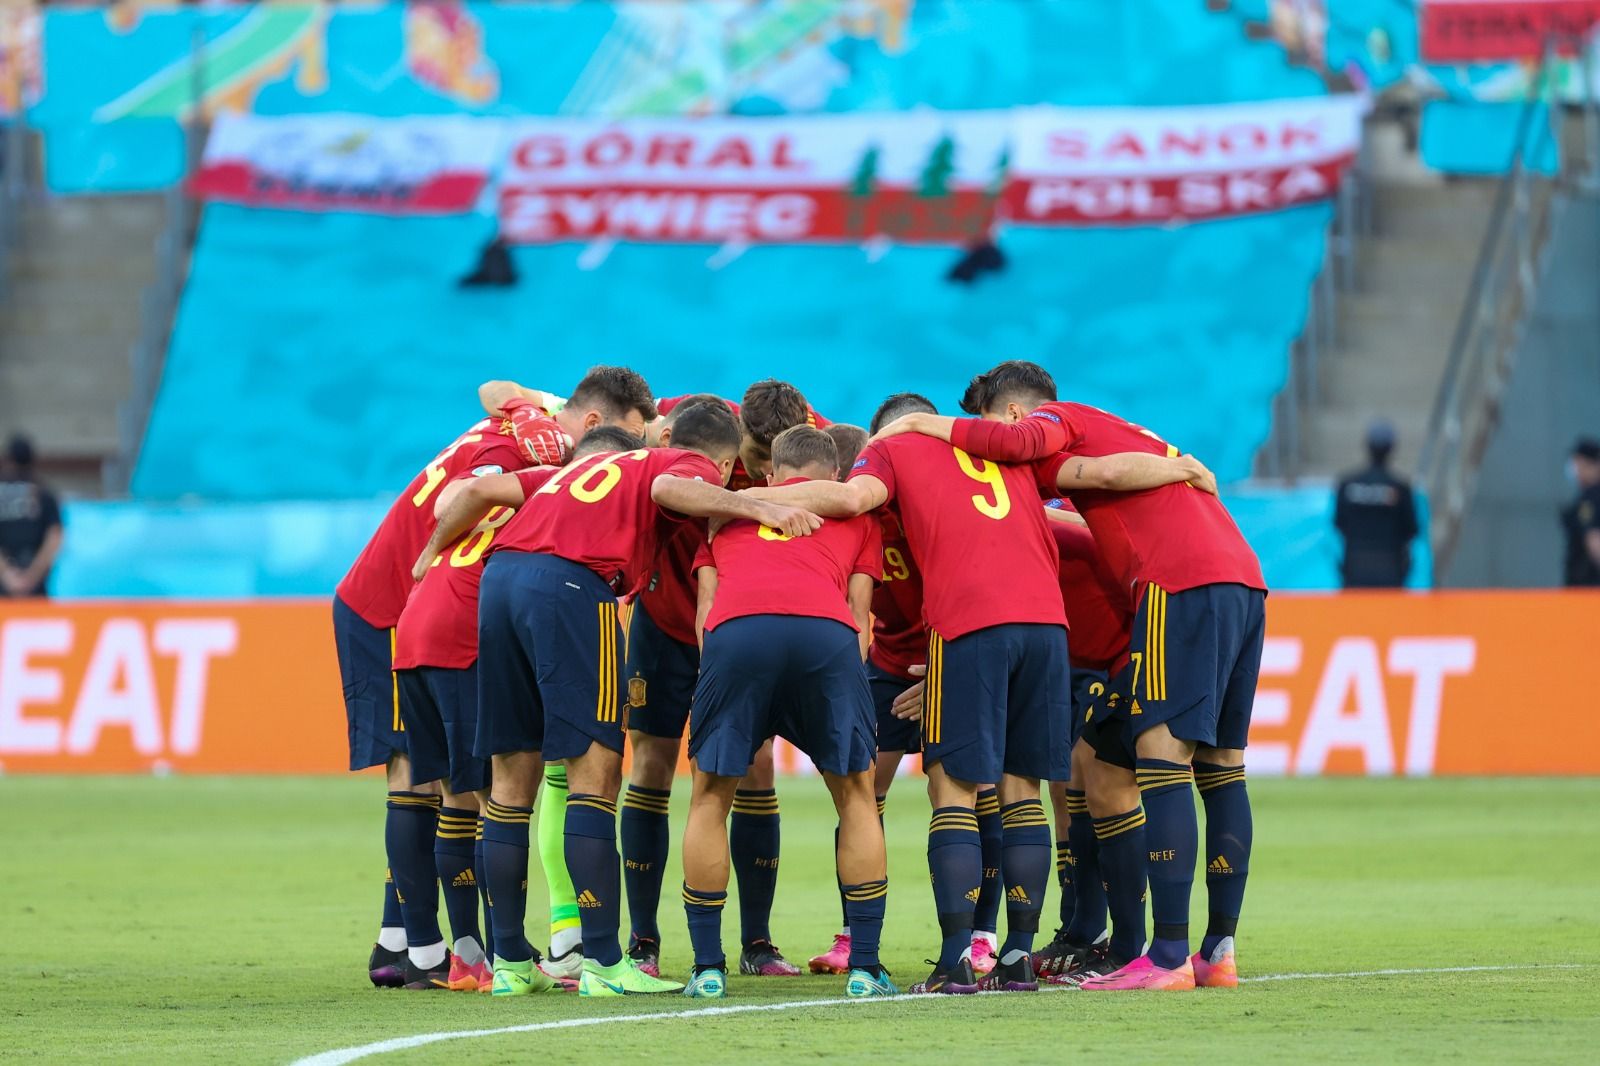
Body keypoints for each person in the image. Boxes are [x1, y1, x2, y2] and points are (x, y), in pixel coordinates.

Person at [747, 401, 1204, 995]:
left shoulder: (890, 451)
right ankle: (1016, 958)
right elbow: (1098, 478)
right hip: (1046, 626)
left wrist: (750, 504)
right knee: (1022, 794)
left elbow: (853, 499)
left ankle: (955, 961)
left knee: (953, 792)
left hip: (969, 624)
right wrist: (1181, 467)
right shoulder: (1003, 450)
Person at [874, 359, 1263, 992]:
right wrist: (1179, 465)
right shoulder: (1114, 431)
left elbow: (1061, 464)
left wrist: (922, 423)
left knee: (1161, 759)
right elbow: (1093, 483)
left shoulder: (1055, 423)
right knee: (1214, 767)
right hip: (1241, 578)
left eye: (985, 425)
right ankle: (1213, 951)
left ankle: (1164, 957)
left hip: (1176, 582)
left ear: (1011, 413)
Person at [417, 399, 821, 998]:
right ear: (727, 455)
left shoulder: (579, 471)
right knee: (595, 776)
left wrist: (430, 554)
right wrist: (758, 505)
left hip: (500, 585)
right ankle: (605, 961)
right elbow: (670, 487)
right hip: (575, 587)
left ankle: (509, 964)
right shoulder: (683, 464)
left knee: (508, 781)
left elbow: (472, 495)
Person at [334, 368, 633, 988]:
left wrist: (523, 411)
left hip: (410, 604)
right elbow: (456, 500)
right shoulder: (535, 458)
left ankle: (407, 940)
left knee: (442, 780)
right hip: (394, 604)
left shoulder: (533, 425)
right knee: (437, 781)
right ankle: (434, 945)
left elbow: (494, 386)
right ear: (595, 426)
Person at [620, 382, 827, 980]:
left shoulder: (805, 427)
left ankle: (758, 943)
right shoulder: (692, 422)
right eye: (757, 464)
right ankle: (643, 941)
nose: (768, 479)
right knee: (652, 766)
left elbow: (855, 454)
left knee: (755, 768)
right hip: (664, 624)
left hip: (740, 633)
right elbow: (612, 425)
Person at [679, 425, 893, 999]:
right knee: (854, 793)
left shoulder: (727, 514)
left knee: (709, 797)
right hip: (825, 634)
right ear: (835, 479)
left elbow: (705, 609)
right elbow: (861, 617)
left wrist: (724, 671)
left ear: (772, 477)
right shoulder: (858, 517)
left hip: (737, 634)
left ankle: (706, 968)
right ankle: (867, 969)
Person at [1333, 419, 1419, 588]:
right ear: (1392, 448)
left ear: (1367, 446)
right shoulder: (1400, 488)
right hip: (1391, 571)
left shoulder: (1347, 484)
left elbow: (1339, 523)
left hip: (1355, 570)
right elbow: (1412, 529)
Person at [0, 435, 63, 599]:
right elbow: (55, 537)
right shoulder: (44, 493)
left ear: (8, 459)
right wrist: (32, 576)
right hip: (35, 588)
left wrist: (7, 574)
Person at [1560, 437, 1600, 587]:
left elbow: (1594, 540)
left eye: (1578, 462)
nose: (1574, 468)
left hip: (1586, 587)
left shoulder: (1590, 499)